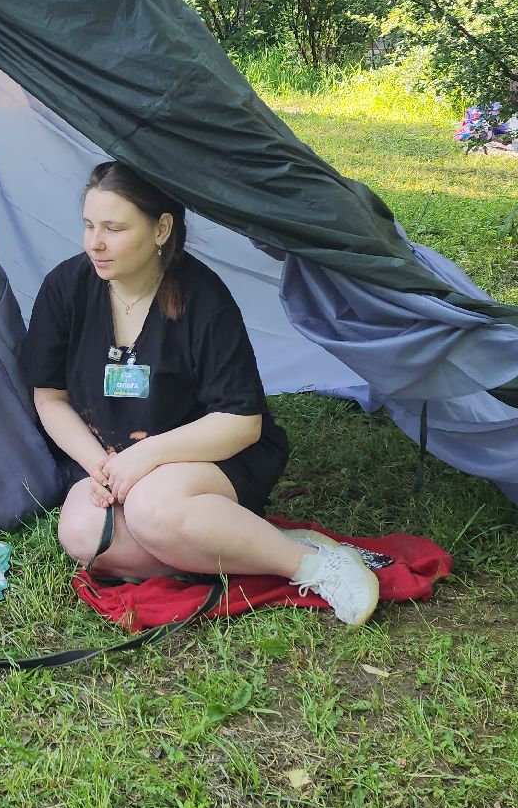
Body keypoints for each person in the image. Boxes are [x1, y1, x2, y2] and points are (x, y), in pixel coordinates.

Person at [19, 161, 381, 625]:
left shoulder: (202, 296)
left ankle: (311, 565)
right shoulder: (66, 288)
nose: (95, 243)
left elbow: (241, 422)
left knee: (152, 509)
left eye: (114, 228)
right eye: (89, 225)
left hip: (209, 458)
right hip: (110, 463)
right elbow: (49, 398)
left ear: (161, 229)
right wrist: (98, 464)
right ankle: (241, 546)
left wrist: (145, 457)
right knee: (83, 536)